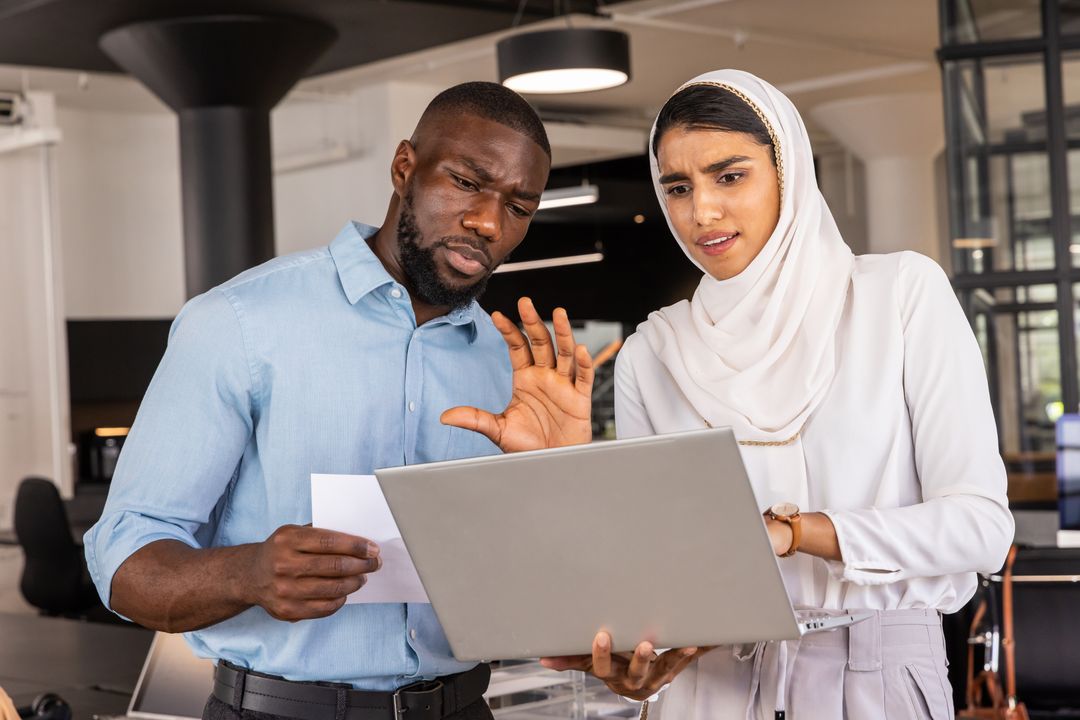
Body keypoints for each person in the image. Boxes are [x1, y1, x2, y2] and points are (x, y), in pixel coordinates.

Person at [83, 81, 594, 720]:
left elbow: (539, 592)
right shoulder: (239, 321)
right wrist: (248, 574)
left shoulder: (506, 362)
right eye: (466, 183)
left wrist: (562, 481)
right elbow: (124, 561)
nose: (489, 223)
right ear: (405, 167)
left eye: (519, 207)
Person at [515, 69, 1015, 718]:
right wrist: (643, 667)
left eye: (730, 175)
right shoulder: (653, 353)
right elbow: (654, 576)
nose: (702, 212)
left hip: (875, 681)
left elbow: (979, 528)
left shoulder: (898, 298)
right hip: (707, 693)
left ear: (790, 169)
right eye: (677, 187)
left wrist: (798, 533)